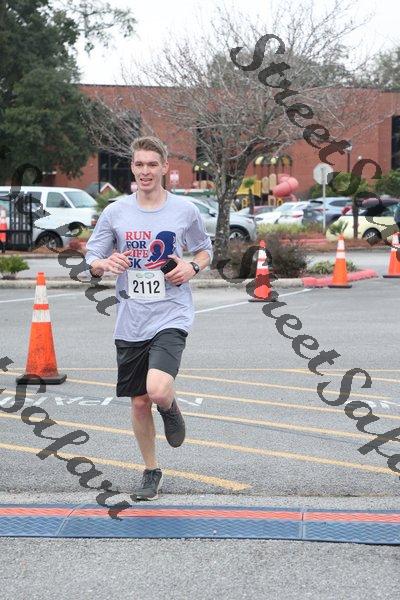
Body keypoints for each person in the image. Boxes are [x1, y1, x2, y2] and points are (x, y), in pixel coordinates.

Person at [85, 136, 213, 501]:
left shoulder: (184, 210)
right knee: (140, 401)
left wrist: (191, 267)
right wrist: (103, 263)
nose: (145, 171)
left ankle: (168, 405)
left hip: (171, 313)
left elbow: (205, 250)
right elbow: (91, 259)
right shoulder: (116, 212)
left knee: (156, 390)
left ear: (165, 168)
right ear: (132, 167)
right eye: (139, 164)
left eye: (152, 165)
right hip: (130, 319)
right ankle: (151, 470)